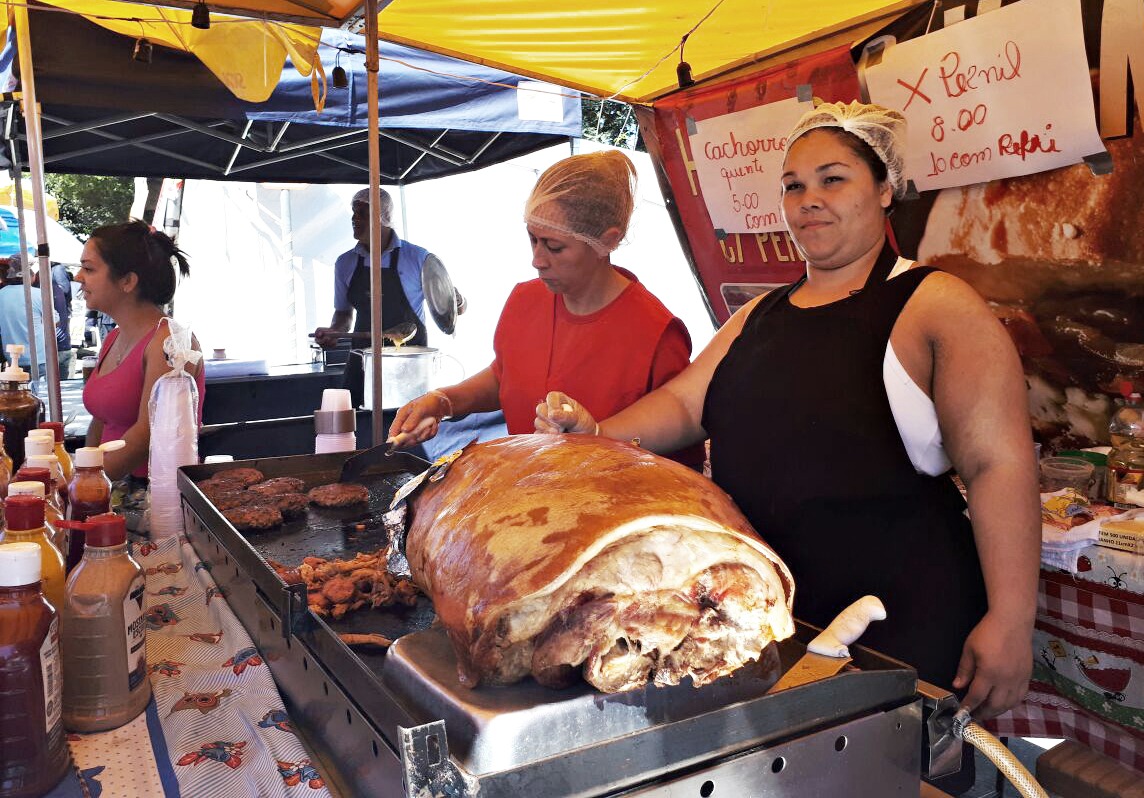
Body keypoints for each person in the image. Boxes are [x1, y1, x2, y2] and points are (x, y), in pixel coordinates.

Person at [537, 104, 1040, 759]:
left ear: (885, 189)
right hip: (777, 623)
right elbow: (686, 404)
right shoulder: (759, 315)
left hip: (902, 622)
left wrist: (1011, 619)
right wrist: (597, 433)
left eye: (833, 180)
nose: (809, 200)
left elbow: (998, 463)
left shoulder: (934, 302)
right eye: (794, 185)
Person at [388, 149, 704, 468]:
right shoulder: (525, 300)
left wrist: (599, 437)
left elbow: (679, 455)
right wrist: (445, 401)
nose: (537, 260)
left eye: (554, 247)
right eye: (532, 240)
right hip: (527, 493)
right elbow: (506, 376)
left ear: (608, 240)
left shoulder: (656, 334)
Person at [80, 220, 205, 480]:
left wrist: (86, 483)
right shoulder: (113, 337)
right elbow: (101, 420)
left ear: (127, 281)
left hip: (154, 495)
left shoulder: (171, 341)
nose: (78, 277)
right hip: (109, 487)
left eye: (89, 269)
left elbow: (147, 435)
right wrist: (81, 471)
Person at [312, 187, 466, 351]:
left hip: (410, 359)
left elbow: (454, 310)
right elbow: (343, 314)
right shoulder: (345, 263)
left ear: (382, 217)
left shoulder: (417, 258)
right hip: (364, 358)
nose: (354, 218)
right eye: (354, 212)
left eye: (363, 213)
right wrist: (334, 331)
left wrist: (457, 300)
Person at [0, 253, 49, 377]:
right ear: (30, 274)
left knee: (16, 395)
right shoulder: (39, 294)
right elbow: (54, 322)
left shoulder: (1, 294)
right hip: (38, 358)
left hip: (12, 359)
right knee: (39, 395)